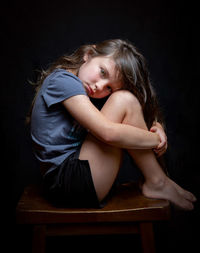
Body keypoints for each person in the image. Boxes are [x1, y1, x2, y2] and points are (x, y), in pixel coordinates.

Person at [30, 39, 196, 210]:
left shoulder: (86, 91)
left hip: (75, 179)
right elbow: (107, 132)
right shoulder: (63, 81)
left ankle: (158, 181)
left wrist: (156, 125)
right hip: (68, 184)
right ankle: (157, 181)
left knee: (127, 99)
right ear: (89, 54)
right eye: (102, 72)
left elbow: (133, 114)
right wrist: (156, 138)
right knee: (124, 99)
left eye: (109, 88)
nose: (99, 86)